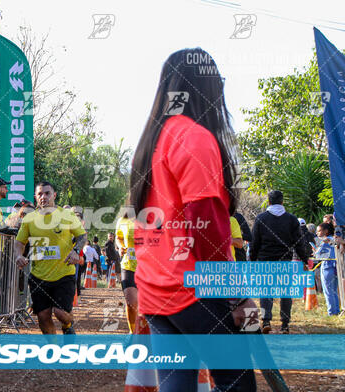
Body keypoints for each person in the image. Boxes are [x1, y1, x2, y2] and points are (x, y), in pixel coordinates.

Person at [129, 48, 256, 391]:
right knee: (237, 383)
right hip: (194, 290)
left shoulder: (151, 143)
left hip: (156, 293)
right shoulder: (195, 137)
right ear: (208, 86)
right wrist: (239, 297)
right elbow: (208, 229)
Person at [14, 181, 86, 334]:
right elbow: (20, 242)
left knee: (60, 314)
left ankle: (68, 325)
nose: (43, 197)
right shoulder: (29, 219)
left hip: (63, 274)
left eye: (47, 193)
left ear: (54, 195)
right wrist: (19, 254)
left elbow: (82, 236)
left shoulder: (66, 215)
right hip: (39, 276)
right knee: (43, 316)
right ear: (35, 197)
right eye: (40, 194)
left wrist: (76, 251)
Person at [250, 190, 309, 334]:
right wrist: (305, 260)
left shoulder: (261, 218)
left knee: (266, 291)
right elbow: (299, 243)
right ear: (282, 202)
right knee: (285, 293)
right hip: (284, 261)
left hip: (265, 262)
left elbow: (254, 243)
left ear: (269, 202)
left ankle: (266, 321)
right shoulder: (291, 219)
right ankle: (285, 324)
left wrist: (251, 260)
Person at [116, 211, 138, 333]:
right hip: (128, 265)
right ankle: (133, 332)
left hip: (149, 268)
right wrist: (120, 246)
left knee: (145, 305)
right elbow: (118, 237)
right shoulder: (123, 220)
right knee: (131, 301)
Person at [315, 222, 340, 315]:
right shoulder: (334, 239)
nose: (317, 233)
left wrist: (315, 251)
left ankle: (331, 312)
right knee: (334, 291)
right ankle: (336, 310)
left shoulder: (325, 241)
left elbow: (318, 255)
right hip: (335, 267)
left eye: (319, 231)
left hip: (327, 267)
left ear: (326, 231)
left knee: (328, 291)